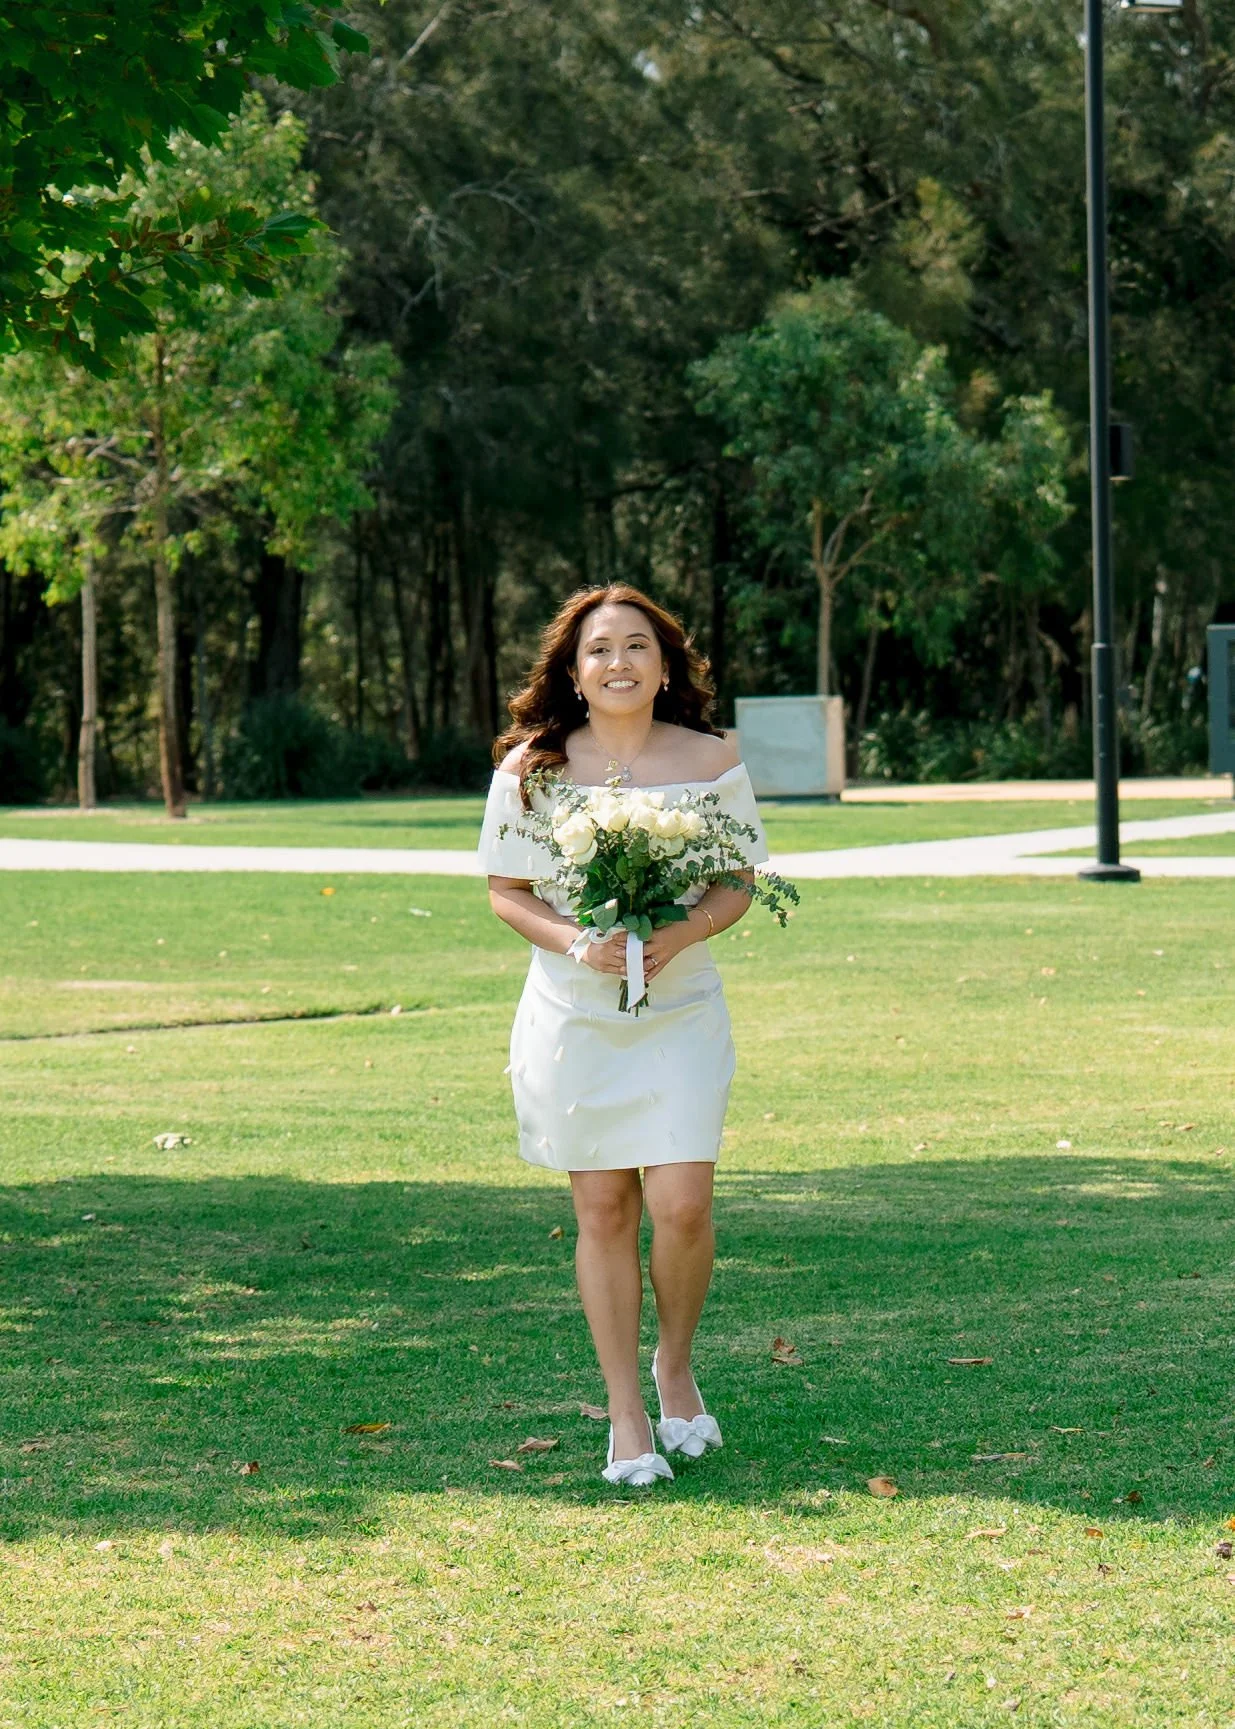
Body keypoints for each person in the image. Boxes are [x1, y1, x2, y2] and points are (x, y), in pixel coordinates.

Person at [477, 583, 769, 1488]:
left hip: (680, 1004)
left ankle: (673, 1365)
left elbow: (738, 878)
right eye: (599, 649)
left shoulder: (711, 756)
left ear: (664, 661)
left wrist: (679, 934)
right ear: (572, 669)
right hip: (573, 1010)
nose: (618, 662)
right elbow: (505, 890)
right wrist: (579, 942)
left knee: (682, 1203)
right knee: (602, 1209)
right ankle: (625, 1411)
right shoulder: (533, 766)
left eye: (637, 645)